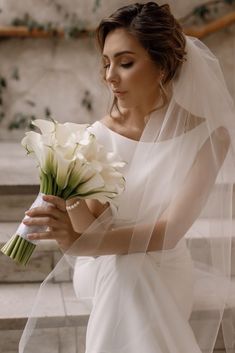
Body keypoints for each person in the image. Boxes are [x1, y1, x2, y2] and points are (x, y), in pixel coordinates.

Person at [19, 2, 235, 353]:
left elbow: (170, 232)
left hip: (166, 266)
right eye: (106, 63)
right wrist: (69, 191)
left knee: (132, 274)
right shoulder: (96, 136)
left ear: (162, 65)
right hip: (103, 265)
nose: (110, 77)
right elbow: (93, 224)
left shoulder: (211, 136)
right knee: (125, 271)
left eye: (125, 62)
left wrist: (80, 244)